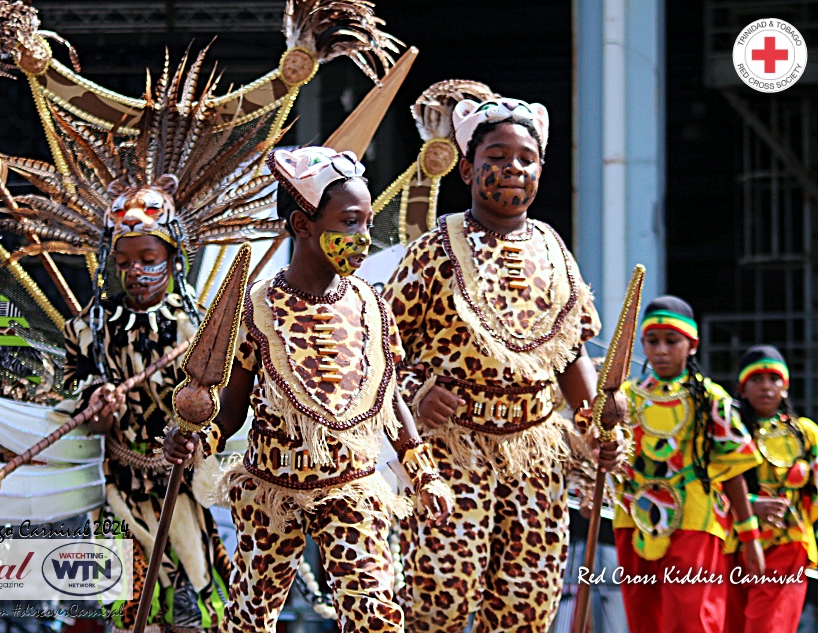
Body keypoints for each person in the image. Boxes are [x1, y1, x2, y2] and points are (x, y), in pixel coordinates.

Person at [165, 146, 451, 633]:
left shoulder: (371, 305)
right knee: (249, 622)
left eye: (366, 223)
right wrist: (196, 441)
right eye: (350, 223)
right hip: (271, 492)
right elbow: (229, 412)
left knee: (376, 616)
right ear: (302, 225)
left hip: (352, 487)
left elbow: (391, 394)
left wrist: (422, 470)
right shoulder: (255, 309)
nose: (363, 239)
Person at [383, 95, 626, 632]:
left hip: (536, 456)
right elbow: (380, 350)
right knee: (440, 598)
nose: (513, 167)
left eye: (526, 158)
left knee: (528, 602)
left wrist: (597, 422)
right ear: (468, 167)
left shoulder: (554, 249)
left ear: (541, 169)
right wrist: (420, 391)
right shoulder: (431, 250)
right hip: (451, 452)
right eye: (497, 155)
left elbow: (571, 354)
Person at [63, 177, 232, 632]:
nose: (134, 271)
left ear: (174, 259)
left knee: (194, 609)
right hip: (117, 490)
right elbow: (73, 381)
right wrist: (95, 401)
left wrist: (195, 433)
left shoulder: (197, 330)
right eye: (123, 261)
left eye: (148, 260)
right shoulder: (92, 327)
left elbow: (223, 404)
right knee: (128, 613)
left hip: (180, 492)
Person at [612, 296, 763, 633]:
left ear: (692, 345)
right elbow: (604, 453)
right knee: (644, 620)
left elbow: (734, 468)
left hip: (696, 517)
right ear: (643, 345)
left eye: (672, 341)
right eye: (653, 341)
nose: (662, 350)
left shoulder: (712, 399)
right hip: (633, 516)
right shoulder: (625, 397)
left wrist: (749, 535)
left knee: (692, 620)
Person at [724, 345, 818, 633]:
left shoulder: (808, 433)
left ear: (785, 387)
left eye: (773, 379)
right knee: (732, 625)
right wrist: (751, 504)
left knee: (766, 627)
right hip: (733, 546)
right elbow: (707, 486)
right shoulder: (728, 432)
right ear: (742, 389)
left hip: (786, 545)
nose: (766, 387)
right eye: (756, 379)